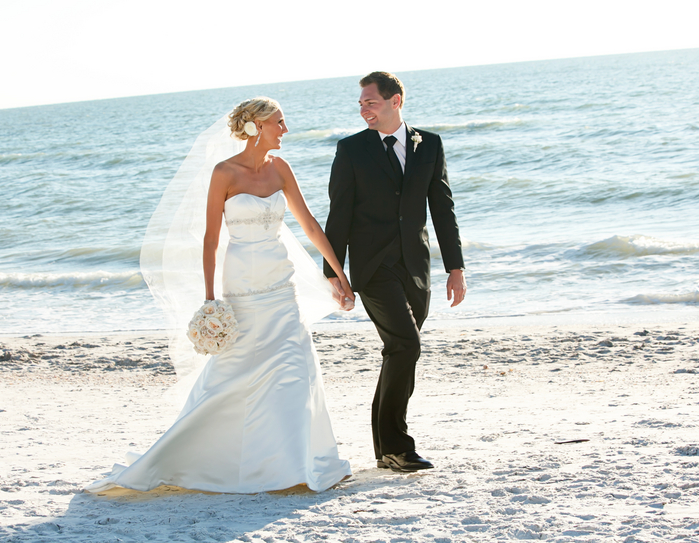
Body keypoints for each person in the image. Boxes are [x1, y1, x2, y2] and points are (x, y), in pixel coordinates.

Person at [87, 97, 354, 494]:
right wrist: (211, 298)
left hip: (281, 282)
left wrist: (336, 273)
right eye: (279, 122)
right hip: (242, 284)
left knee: (295, 367)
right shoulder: (224, 173)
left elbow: (310, 224)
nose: (285, 130)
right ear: (257, 127)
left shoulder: (282, 169)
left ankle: (296, 462)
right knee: (232, 373)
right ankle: (197, 455)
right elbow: (211, 239)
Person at [323, 71, 466, 472]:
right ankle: (399, 446)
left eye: (371, 101)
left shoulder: (429, 144)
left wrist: (455, 266)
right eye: (361, 104)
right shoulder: (351, 150)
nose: (364, 109)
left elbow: (443, 208)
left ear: (395, 101)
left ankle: (385, 448)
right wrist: (334, 273)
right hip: (373, 269)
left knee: (399, 352)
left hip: (416, 267)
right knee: (406, 346)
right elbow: (340, 213)